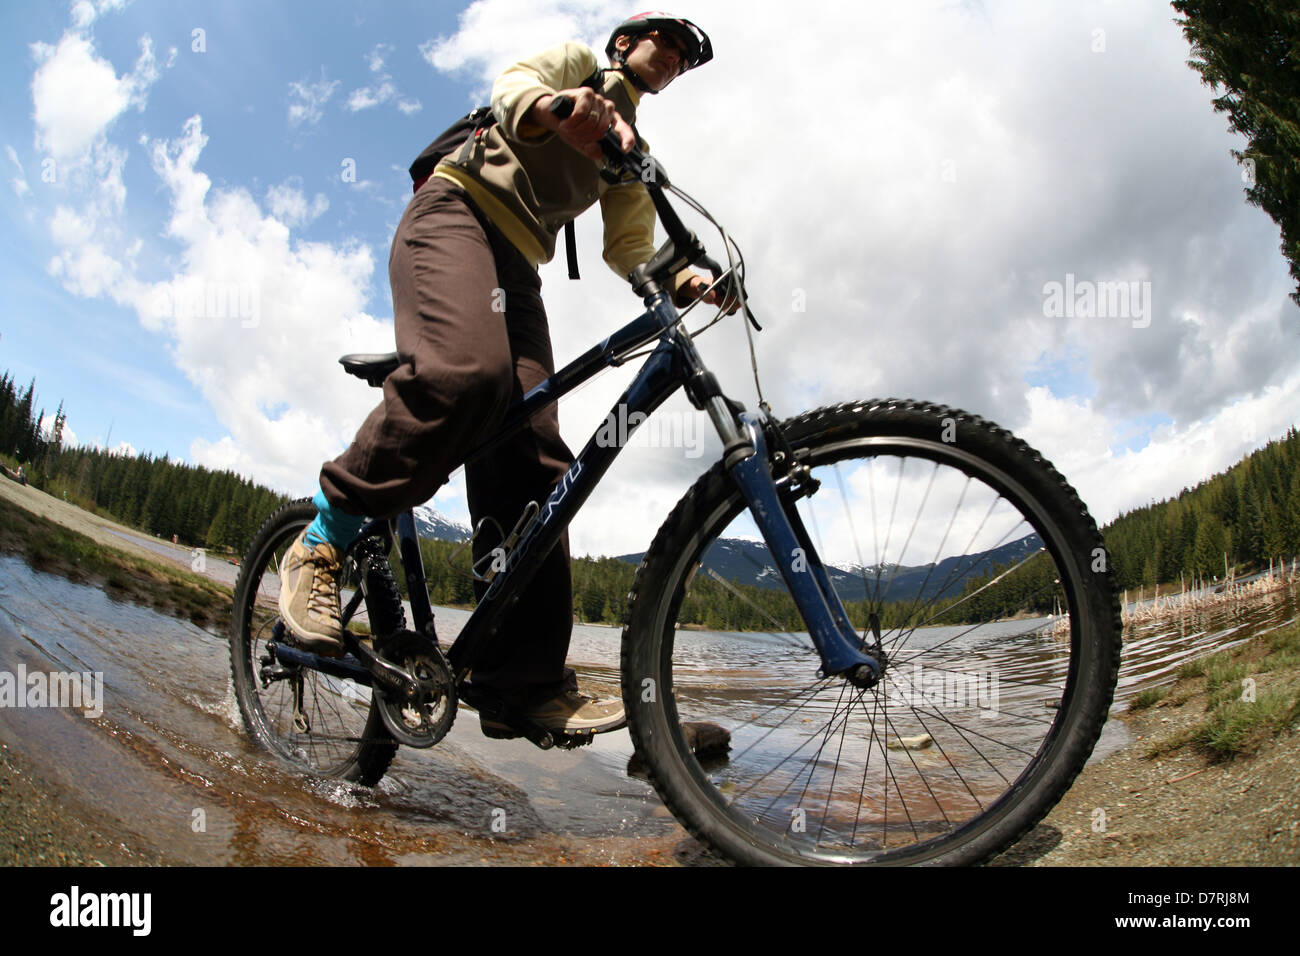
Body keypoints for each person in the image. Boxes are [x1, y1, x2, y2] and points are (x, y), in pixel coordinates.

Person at [278, 13, 727, 738]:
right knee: (467, 375)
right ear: (624, 43)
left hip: (519, 268)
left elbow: (632, 246)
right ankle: (321, 542)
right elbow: (515, 87)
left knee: (540, 460)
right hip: (454, 213)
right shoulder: (580, 66)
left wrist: (686, 278)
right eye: (664, 41)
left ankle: (520, 683)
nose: (672, 57)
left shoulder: (631, 149)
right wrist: (562, 108)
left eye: (683, 57)